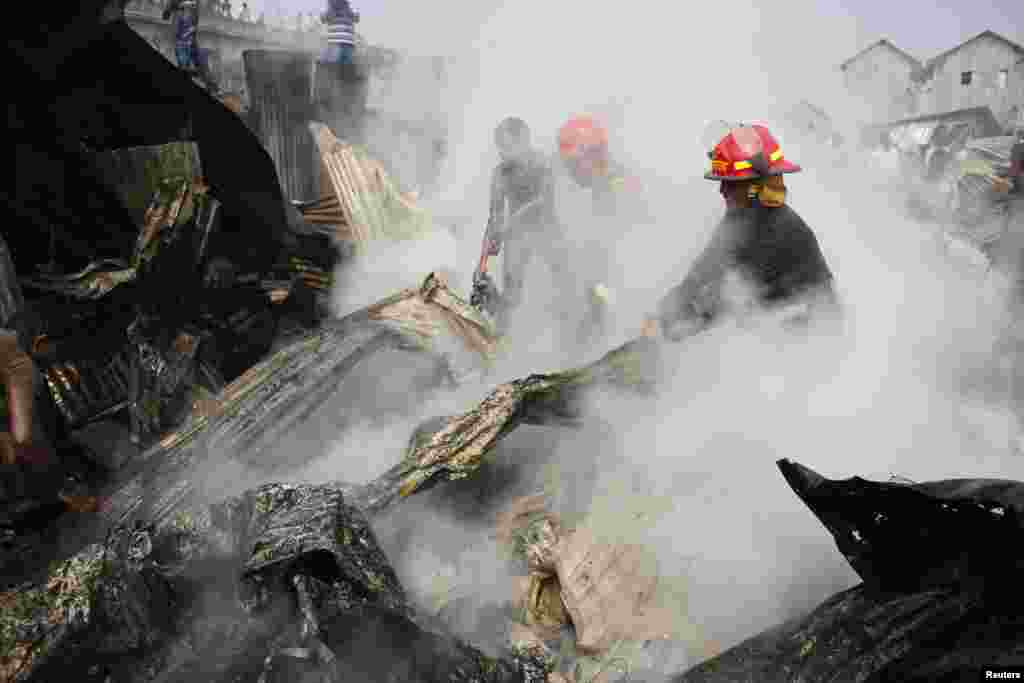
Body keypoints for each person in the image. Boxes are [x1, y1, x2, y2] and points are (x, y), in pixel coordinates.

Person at [642, 124, 838, 341]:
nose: (722, 190)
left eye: (730, 183)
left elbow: (725, 295)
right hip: (770, 332)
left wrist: (673, 327)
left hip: (802, 344)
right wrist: (666, 310)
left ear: (754, 187)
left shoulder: (777, 230)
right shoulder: (744, 220)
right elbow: (706, 268)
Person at [555, 114, 644, 344]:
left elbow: (622, 255)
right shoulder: (603, 183)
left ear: (591, 155)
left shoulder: (615, 186)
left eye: (572, 164)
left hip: (629, 291)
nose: (570, 172)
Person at [473, 117, 568, 331]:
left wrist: (510, 225)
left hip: (547, 230)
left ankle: (574, 329)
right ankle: (500, 340)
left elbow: (543, 201)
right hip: (516, 237)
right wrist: (481, 262)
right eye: (500, 148)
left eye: (507, 147)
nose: (503, 153)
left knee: (565, 282)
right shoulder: (500, 173)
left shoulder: (542, 163)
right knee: (511, 296)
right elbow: (494, 216)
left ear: (524, 141)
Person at [321, 0, 360, 66]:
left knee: (346, 68)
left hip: (347, 44)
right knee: (335, 67)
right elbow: (323, 18)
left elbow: (356, 18)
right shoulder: (331, 9)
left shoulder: (348, 9)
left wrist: (348, 12)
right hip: (336, 43)